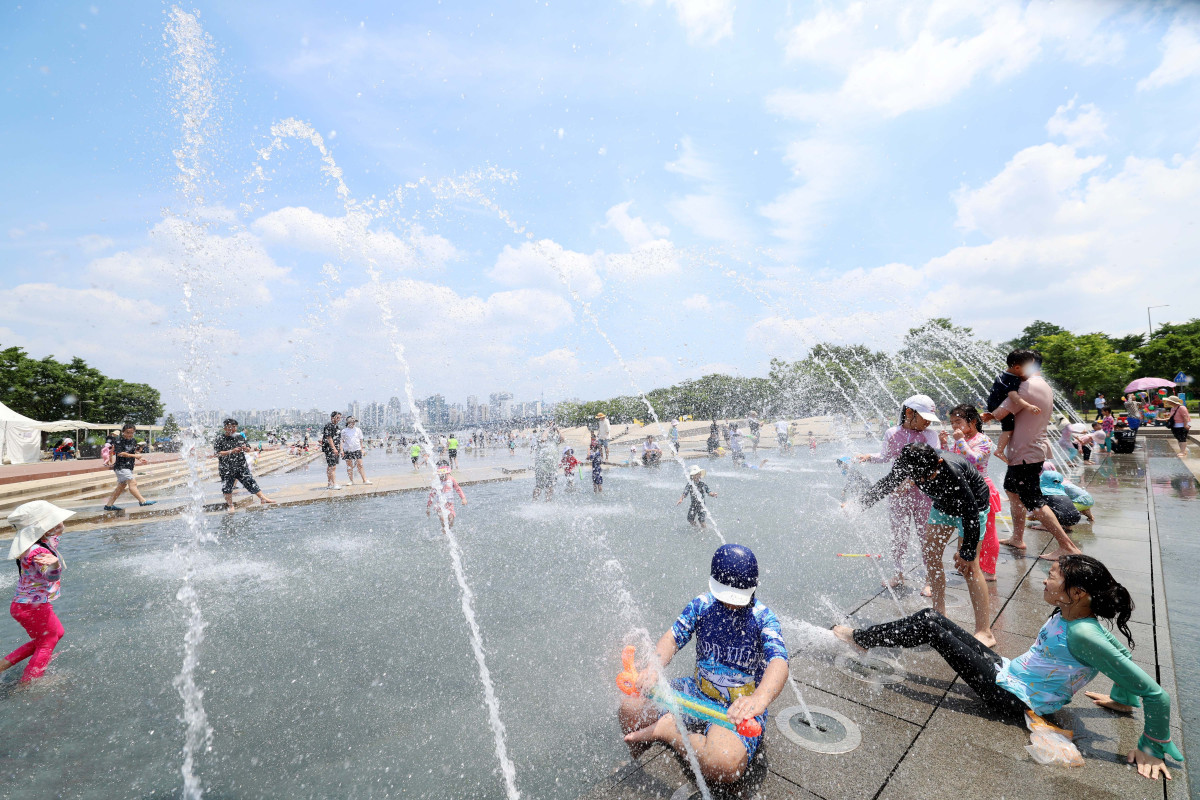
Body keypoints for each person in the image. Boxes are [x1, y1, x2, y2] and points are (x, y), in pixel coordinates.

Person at [833, 555, 1182, 781]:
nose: (1044, 581)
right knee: (930, 617)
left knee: (929, 627)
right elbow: (1122, 656)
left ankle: (859, 638)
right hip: (1010, 673)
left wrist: (1152, 747)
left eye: (1052, 576)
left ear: (1076, 592)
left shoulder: (1084, 633)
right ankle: (863, 639)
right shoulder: (1072, 614)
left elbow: (1158, 695)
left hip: (1014, 698)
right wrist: (1122, 698)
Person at [619, 544, 788, 785]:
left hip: (736, 709)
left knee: (725, 765)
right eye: (725, 598)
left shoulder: (763, 619)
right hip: (695, 691)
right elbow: (672, 638)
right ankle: (638, 762)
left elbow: (779, 662)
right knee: (630, 709)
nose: (730, 606)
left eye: (737, 600)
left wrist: (759, 699)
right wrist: (654, 668)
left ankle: (669, 732)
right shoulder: (702, 605)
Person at [853, 442, 996, 646]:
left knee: (970, 568)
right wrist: (859, 504)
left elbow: (970, 512)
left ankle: (985, 631)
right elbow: (889, 483)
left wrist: (966, 551)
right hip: (942, 506)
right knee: (931, 555)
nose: (922, 481)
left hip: (972, 507)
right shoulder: (907, 463)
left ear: (939, 462)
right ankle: (939, 613)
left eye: (928, 476)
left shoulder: (952, 470)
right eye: (917, 477)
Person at [992, 351, 1081, 561]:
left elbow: (998, 414)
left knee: (1033, 500)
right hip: (1028, 450)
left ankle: (1067, 546)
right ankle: (1017, 538)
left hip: (1026, 452)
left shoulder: (1026, 387)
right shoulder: (1043, 385)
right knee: (1012, 491)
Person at [856, 394, 941, 589]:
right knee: (899, 536)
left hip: (924, 495)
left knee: (926, 536)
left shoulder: (930, 435)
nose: (928, 423)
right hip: (898, 496)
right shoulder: (892, 433)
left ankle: (929, 579)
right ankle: (898, 574)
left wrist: (910, 482)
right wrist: (869, 456)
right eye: (925, 418)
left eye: (930, 419)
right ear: (909, 413)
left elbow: (932, 463)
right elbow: (886, 456)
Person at [2, 500, 74, 682]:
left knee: (56, 633)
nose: (60, 523)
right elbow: (50, 577)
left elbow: (56, 536)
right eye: (55, 521)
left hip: (28, 604)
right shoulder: (38, 552)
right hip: (31, 607)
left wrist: (57, 527)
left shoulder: (39, 542)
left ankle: (3, 665)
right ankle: (28, 682)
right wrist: (55, 565)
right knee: (47, 642)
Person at [939, 404, 1001, 582]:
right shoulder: (962, 439)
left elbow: (974, 460)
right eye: (952, 422)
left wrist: (959, 441)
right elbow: (952, 461)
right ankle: (973, 563)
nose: (954, 426)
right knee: (968, 530)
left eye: (958, 422)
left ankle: (989, 569)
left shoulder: (984, 440)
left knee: (987, 532)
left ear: (972, 422)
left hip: (981, 489)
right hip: (964, 490)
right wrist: (944, 444)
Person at [982, 350, 1042, 463]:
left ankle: (989, 416)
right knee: (1009, 428)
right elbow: (1013, 396)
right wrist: (1028, 406)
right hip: (999, 406)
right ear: (1017, 368)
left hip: (992, 403)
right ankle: (999, 450)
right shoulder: (1013, 379)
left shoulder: (1004, 374)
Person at [213, 419, 276, 512]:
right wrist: (231, 451)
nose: (232, 429)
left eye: (234, 427)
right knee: (227, 487)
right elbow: (217, 453)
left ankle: (263, 498)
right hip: (226, 467)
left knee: (250, 481)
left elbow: (248, 448)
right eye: (230, 427)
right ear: (225, 428)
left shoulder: (239, 437)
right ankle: (230, 505)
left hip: (241, 465)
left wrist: (245, 448)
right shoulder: (220, 439)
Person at [102, 423, 156, 512]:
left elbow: (133, 452)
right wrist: (135, 456)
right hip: (121, 467)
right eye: (127, 432)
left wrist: (140, 458)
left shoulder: (133, 440)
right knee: (133, 483)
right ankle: (142, 501)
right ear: (123, 432)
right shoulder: (118, 440)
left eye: (131, 433)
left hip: (128, 467)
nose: (129, 435)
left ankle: (109, 505)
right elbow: (120, 453)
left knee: (121, 486)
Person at [427, 463, 467, 529]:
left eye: (444, 475)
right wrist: (428, 507)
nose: (442, 477)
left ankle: (448, 530)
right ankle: (444, 529)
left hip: (449, 503)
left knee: (451, 519)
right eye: (441, 475)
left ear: (448, 473)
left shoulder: (451, 479)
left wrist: (463, 498)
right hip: (439, 503)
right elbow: (431, 495)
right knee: (442, 518)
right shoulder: (437, 482)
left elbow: (458, 488)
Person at [677, 465, 717, 530]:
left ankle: (704, 531)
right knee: (690, 519)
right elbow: (685, 492)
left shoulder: (702, 484)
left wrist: (713, 494)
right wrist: (681, 499)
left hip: (702, 505)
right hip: (693, 505)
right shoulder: (690, 484)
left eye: (699, 474)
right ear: (692, 476)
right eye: (697, 474)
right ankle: (696, 528)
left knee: (701, 520)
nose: (698, 476)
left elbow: (708, 491)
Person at [340, 417, 371, 486]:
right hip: (348, 450)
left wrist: (361, 449)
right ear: (348, 422)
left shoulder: (358, 430)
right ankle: (351, 480)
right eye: (352, 422)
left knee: (360, 464)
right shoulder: (344, 431)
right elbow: (341, 441)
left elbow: (361, 440)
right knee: (349, 465)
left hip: (357, 449)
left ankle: (364, 480)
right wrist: (341, 450)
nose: (353, 423)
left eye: (354, 422)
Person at [321, 411, 343, 490]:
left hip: (335, 449)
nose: (339, 419)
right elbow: (329, 438)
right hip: (330, 449)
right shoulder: (328, 426)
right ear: (332, 417)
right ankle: (334, 484)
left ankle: (329, 483)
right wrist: (333, 448)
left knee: (330, 466)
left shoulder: (337, 427)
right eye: (337, 417)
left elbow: (339, 440)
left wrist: (341, 450)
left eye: (339, 418)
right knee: (332, 467)